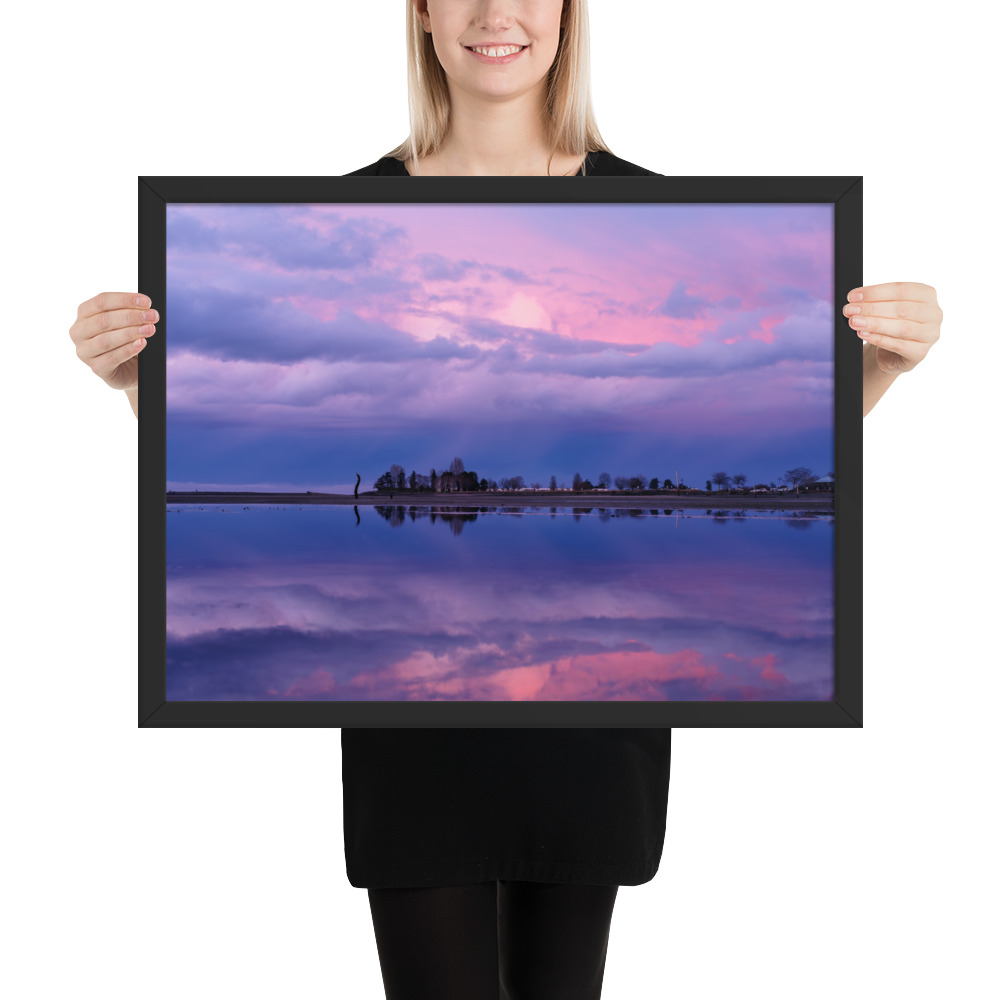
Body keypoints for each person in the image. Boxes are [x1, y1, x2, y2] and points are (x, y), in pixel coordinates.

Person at [67, 2, 943, 997]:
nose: (496, 13)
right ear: (424, 15)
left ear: (569, 16)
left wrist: (879, 370)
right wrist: (139, 388)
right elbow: (204, 439)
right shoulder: (335, 211)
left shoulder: (660, 216)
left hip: (590, 743)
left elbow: (801, 437)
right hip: (413, 738)